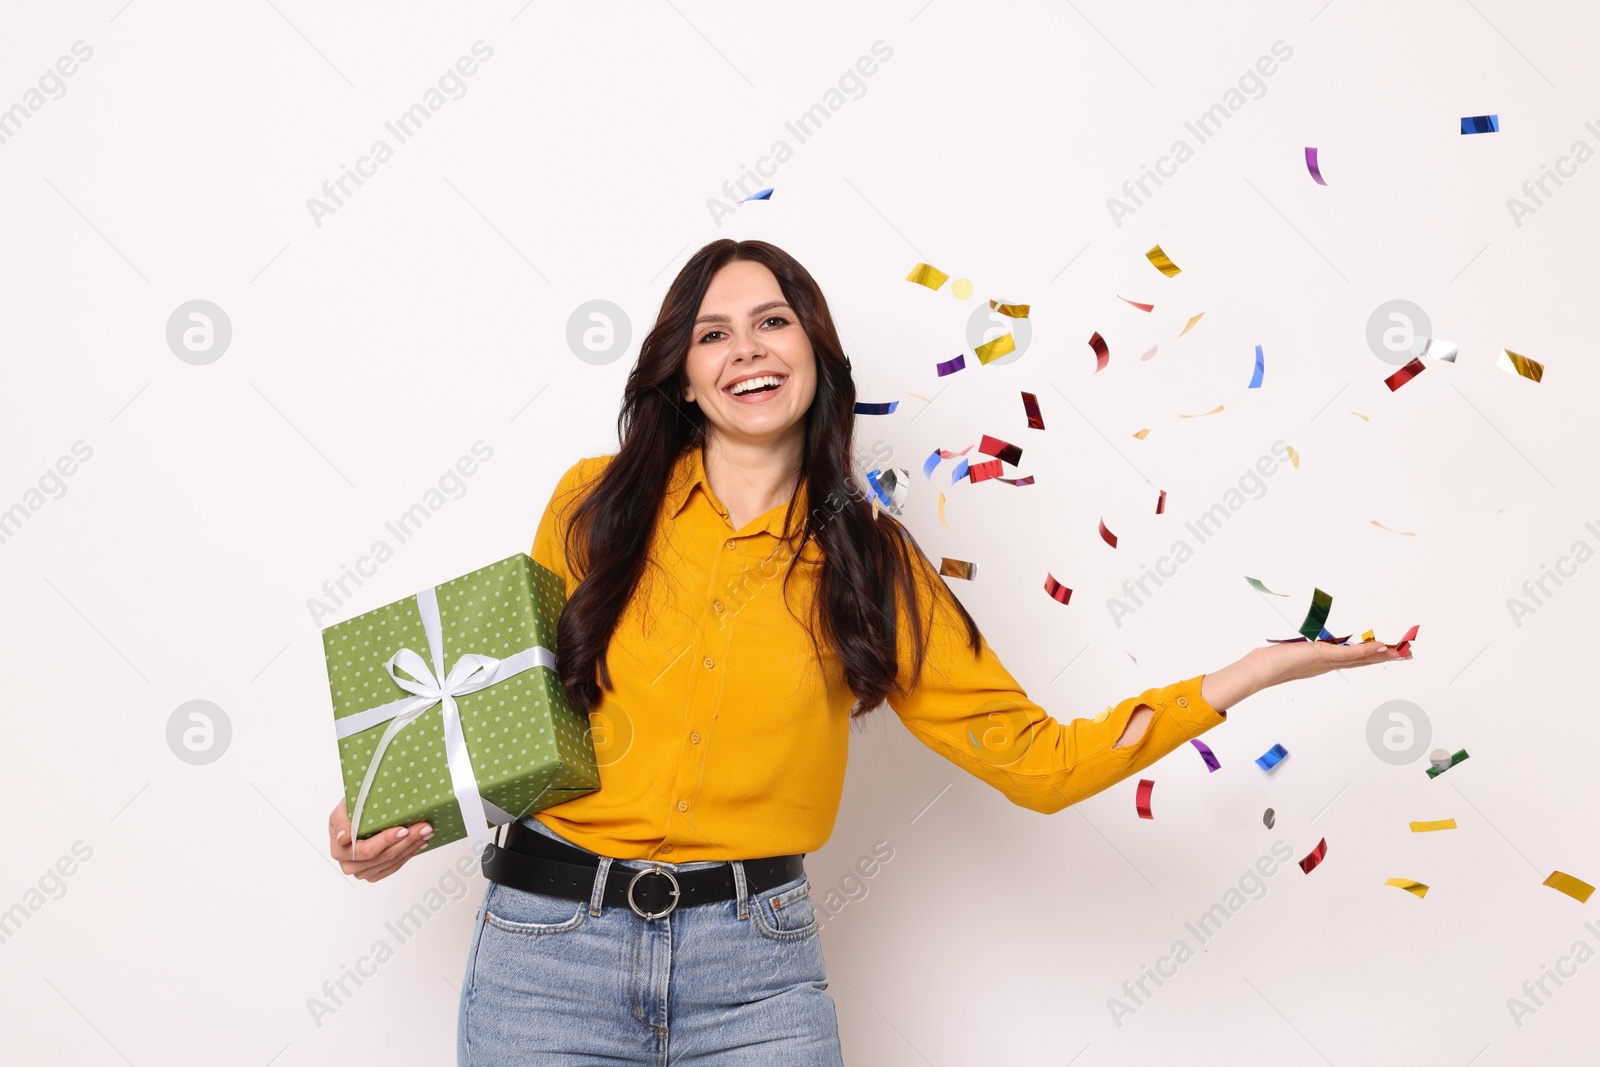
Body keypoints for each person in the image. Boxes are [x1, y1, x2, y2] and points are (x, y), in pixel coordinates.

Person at [326, 239, 1406, 1063]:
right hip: (543, 953)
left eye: (773, 321)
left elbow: (1039, 762)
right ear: (682, 377)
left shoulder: (873, 567)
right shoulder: (592, 503)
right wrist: (393, 815)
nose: (746, 347)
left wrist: (1247, 674)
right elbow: (506, 702)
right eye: (713, 333)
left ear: (818, 354)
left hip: (753, 970)